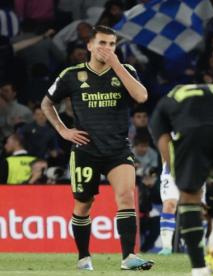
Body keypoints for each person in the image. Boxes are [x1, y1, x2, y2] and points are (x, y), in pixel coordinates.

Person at [40, 25, 153, 271]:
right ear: (89, 45)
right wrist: (63, 130)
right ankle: (83, 257)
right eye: (102, 43)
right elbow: (47, 103)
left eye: (112, 44)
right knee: (83, 204)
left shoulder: (125, 71)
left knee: (125, 197)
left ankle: (128, 257)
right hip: (85, 150)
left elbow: (142, 96)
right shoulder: (72, 74)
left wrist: (117, 65)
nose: (107, 49)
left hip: (117, 149)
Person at [150, 83, 213, 276]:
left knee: (189, 198)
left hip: (192, 131)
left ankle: (199, 270)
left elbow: (163, 140)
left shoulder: (164, 106)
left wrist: (178, 176)